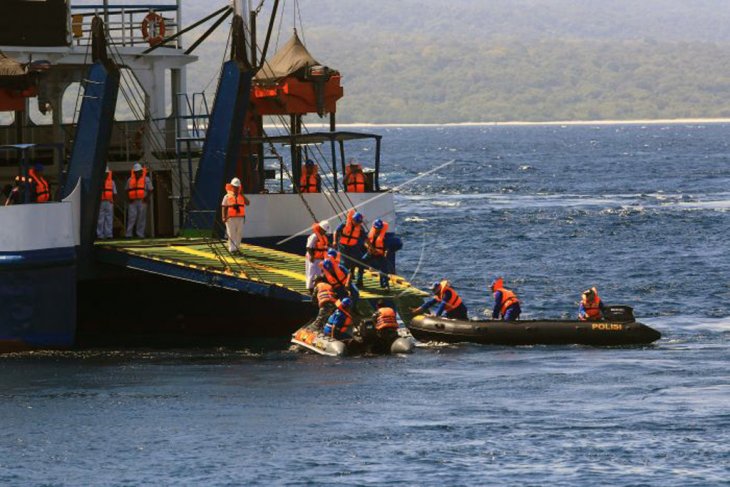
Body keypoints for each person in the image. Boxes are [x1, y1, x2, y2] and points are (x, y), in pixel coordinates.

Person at [335, 208, 366, 286]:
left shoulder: (360, 228)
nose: (357, 223)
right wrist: (334, 241)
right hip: (343, 246)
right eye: (356, 221)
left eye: (359, 222)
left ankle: (359, 280)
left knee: (360, 262)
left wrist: (370, 247)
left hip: (353, 247)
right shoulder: (344, 224)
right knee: (344, 263)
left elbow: (366, 238)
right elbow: (336, 231)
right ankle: (343, 280)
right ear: (353, 219)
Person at [221, 177, 250, 254]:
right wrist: (223, 217)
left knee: (239, 233)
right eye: (235, 187)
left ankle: (237, 248)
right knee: (231, 233)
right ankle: (232, 249)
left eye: (238, 187)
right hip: (230, 218)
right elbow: (224, 207)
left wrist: (242, 195)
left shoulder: (241, 196)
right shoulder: (227, 196)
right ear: (232, 187)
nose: (236, 189)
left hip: (240, 218)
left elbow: (248, 203)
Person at [125, 163, 153, 238]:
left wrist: (147, 198)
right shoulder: (130, 180)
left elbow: (150, 190)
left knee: (141, 218)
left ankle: (140, 234)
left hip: (142, 201)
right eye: (136, 171)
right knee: (131, 217)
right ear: (134, 172)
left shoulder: (146, 179)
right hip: (132, 201)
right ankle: (128, 234)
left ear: (141, 171)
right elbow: (127, 190)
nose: (137, 173)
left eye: (138, 171)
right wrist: (128, 199)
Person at [364, 218, 390, 289]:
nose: (378, 230)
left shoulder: (384, 236)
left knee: (384, 269)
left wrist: (385, 253)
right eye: (376, 228)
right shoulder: (370, 233)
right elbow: (365, 242)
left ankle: (385, 285)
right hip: (371, 253)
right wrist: (369, 248)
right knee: (361, 261)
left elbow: (387, 247)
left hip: (379, 254)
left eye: (379, 228)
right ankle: (359, 280)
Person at [305, 220, 330, 291]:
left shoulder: (323, 237)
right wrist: (312, 256)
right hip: (312, 257)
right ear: (320, 229)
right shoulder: (314, 236)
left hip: (319, 258)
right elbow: (309, 247)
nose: (324, 232)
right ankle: (310, 288)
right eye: (324, 230)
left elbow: (325, 245)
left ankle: (318, 287)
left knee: (319, 273)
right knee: (311, 273)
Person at [97, 167, 116, 239]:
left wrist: (113, 201)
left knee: (109, 218)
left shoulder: (112, 182)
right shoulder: (98, 182)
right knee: (100, 219)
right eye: (105, 173)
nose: (106, 174)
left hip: (109, 202)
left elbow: (114, 193)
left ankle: (109, 235)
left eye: (107, 173)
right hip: (101, 202)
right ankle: (100, 235)